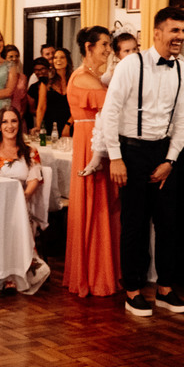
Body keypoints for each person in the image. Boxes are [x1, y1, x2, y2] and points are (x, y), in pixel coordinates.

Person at [97, 6, 184, 317]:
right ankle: (133, 290)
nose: (180, 37)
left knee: (169, 223)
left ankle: (165, 289)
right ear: (157, 33)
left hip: (165, 152)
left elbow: (182, 120)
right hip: (131, 151)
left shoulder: (183, 68)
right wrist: (116, 158)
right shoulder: (131, 65)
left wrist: (171, 159)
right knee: (135, 224)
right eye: (174, 30)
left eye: (183, 31)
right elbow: (110, 112)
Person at [64, 25, 119, 298]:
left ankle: (105, 269)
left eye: (109, 44)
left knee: (104, 202)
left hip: (99, 139)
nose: (108, 50)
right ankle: (95, 273)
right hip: (89, 142)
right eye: (104, 45)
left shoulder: (96, 77)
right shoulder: (84, 78)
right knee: (94, 203)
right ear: (89, 47)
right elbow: (111, 107)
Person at [0, 106, 49, 293]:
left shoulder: (30, 151)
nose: (9, 126)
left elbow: (34, 179)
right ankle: (3, 275)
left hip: (23, 202)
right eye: (5, 122)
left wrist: (23, 197)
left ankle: (20, 272)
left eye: (13, 121)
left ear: (19, 125)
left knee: (15, 219)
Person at [35, 47, 72, 137]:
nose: (58, 60)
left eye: (62, 57)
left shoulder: (73, 79)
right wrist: (38, 127)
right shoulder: (46, 81)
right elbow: (41, 107)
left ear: (67, 60)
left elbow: (77, 107)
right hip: (50, 125)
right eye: (55, 58)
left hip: (69, 124)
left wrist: (68, 124)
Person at [3, 44, 29, 120]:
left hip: (19, 116)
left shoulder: (23, 77)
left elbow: (24, 101)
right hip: (2, 116)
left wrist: (21, 115)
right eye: (11, 57)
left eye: (17, 56)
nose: (14, 59)